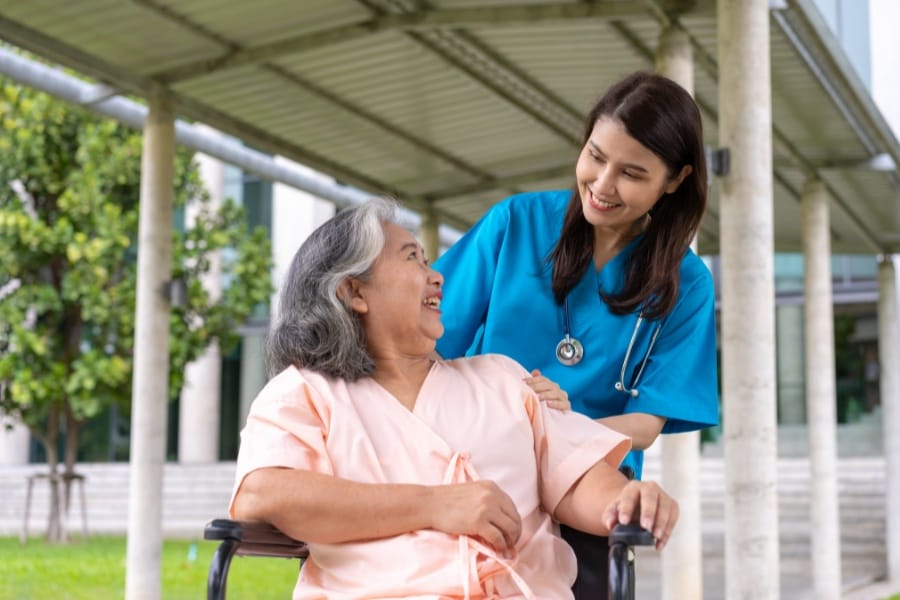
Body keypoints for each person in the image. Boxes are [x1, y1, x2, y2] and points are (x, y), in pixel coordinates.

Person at [230, 198, 680, 599]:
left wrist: (631, 499)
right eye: (413, 259)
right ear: (354, 291)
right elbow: (262, 493)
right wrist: (437, 505)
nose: (437, 277)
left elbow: (578, 478)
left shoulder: (503, 379)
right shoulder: (305, 391)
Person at [433, 71, 719, 596]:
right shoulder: (514, 223)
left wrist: (559, 420)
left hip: (589, 483)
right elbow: (426, 343)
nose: (602, 185)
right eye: (595, 156)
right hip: (478, 465)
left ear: (674, 180)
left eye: (632, 173)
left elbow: (648, 422)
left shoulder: (687, 284)